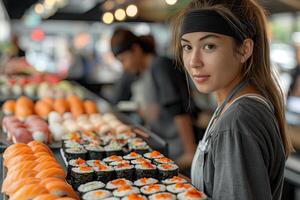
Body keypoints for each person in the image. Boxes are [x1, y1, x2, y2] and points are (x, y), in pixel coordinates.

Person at [171, 0, 292, 199]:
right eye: (187, 47)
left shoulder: (237, 121)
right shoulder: (233, 105)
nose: (194, 61)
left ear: (244, 49)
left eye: (209, 46)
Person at [110, 28, 197, 166]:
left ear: (136, 49)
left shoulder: (160, 66)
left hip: (178, 146)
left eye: (123, 60)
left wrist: (190, 151)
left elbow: (178, 109)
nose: (124, 67)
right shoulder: (142, 72)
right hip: (162, 142)